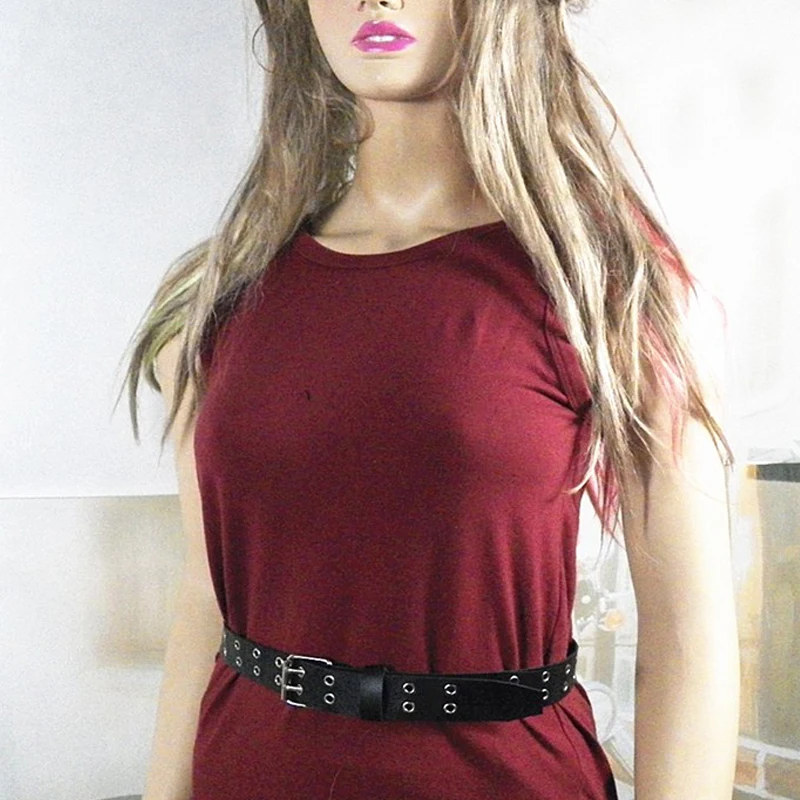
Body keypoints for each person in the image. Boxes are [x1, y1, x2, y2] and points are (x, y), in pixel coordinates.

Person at [120, 0, 741, 797]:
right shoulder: (217, 299)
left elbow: (687, 639)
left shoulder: (615, 294)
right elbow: (206, 599)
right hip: (250, 769)